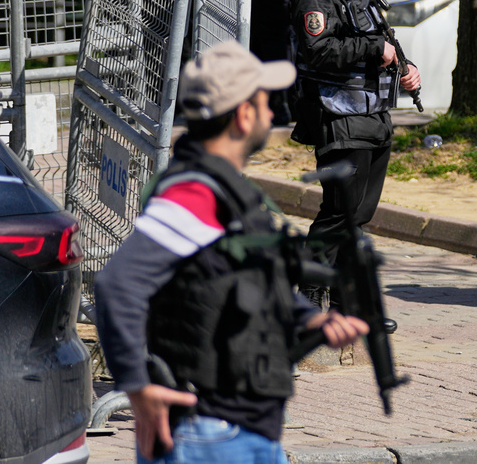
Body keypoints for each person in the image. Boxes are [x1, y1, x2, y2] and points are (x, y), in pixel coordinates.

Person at [94, 41, 367, 464]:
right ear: (243, 115)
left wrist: (310, 317)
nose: (271, 112)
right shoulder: (193, 193)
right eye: (263, 101)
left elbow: (248, 279)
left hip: (240, 427)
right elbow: (116, 285)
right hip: (211, 433)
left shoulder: (221, 189)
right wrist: (137, 386)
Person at [290, 0, 420, 314]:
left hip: (373, 115)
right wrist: (372, 50)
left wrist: (405, 64)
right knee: (338, 213)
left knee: (357, 215)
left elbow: (382, 39)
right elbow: (318, 51)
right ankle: (308, 301)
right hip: (339, 115)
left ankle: (348, 305)